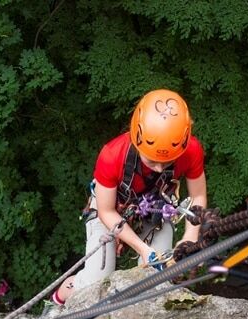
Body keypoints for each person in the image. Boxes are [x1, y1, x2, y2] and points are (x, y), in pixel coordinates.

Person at [50, 89, 207, 306]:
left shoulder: (191, 150)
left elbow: (198, 195)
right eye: (152, 161)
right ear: (137, 137)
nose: (161, 169)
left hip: (154, 211)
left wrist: (190, 235)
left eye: (168, 162)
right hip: (111, 209)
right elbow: (106, 211)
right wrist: (142, 249)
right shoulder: (112, 155)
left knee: (159, 275)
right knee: (95, 281)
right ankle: (59, 299)